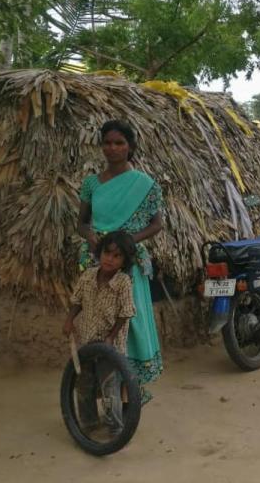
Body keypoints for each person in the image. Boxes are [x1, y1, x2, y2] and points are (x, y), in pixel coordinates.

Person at [78, 120, 163, 402]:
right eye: (107, 143)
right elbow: (81, 223)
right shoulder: (91, 183)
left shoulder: (145, 184)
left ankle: (129, 388)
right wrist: (95, 241)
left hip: (129, 264)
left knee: (129, 318)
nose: (112, 148)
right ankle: (102, 384)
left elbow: (156, 224)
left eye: (119, 143)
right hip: (98, 262)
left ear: (130, 147)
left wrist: (126, 244)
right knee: (98, 319)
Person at [64, 230, 136, 354]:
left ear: (125, 261)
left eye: (116, 256)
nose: (109, 259)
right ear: (100, 252)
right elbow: (77, 301)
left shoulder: (123, 282)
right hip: (86, 337)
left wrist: (111, 337)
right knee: (85, 370)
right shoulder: (88, 275)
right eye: (106, 253)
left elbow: (125, 313)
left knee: (107, 371)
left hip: (110, 344)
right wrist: (69, 320)